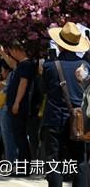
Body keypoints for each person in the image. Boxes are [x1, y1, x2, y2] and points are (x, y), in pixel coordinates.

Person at [41, 22, 90, 187]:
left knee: (53, 160)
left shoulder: (49, 66)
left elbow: (44, 89)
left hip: (55, 118)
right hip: (79, 120)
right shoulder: (86, 67)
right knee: (80, 160)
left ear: (60, 44)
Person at [0, 39, 36, 167]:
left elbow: (23, 84)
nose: (11, 55)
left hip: (20, 106)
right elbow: (12, 63)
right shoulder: (21, 64)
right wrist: (3, 54)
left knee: (20, 137)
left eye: (11, 52)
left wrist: (17, 102)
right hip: (16, 105)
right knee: (17, 135)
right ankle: (21, 165)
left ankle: (24, 166)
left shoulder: (26, 65)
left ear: (16, 50)